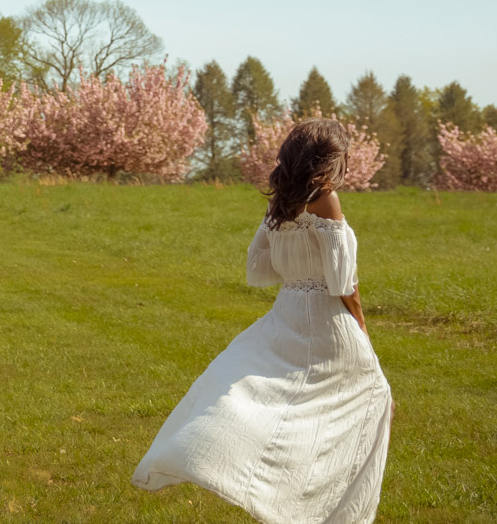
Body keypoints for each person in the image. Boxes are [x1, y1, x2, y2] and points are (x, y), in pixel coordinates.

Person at [132, 118, 393, 524]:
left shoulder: (280, 204)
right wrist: (360, 324)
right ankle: (326, 507)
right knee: (370, 397)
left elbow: (262, 260)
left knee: (280, 398)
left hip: (287, 310)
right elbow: (345, 281)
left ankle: (295, 491)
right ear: (330, 160)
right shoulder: (327, 199)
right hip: (326, 317)